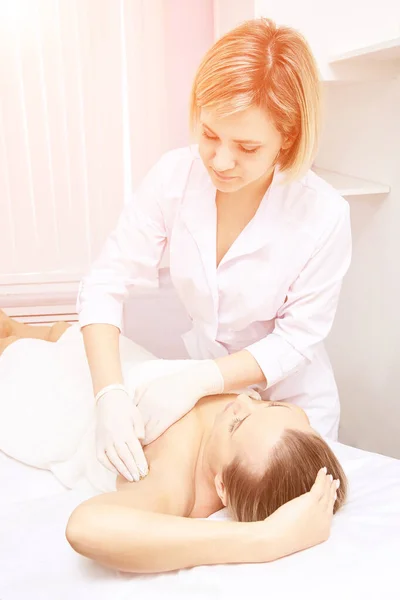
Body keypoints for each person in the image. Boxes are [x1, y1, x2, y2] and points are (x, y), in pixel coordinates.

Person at [77, 17, 352, 484]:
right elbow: (106, 281)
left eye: (246, 146)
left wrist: (200, 378)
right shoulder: (174, 178)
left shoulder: (323, 215)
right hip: (212, 407)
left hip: (288, 409)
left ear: (287, 139)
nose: (221, 161)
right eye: (209, 135)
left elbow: (297, 339)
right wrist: (109, 393)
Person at [0, 313, 345, 572]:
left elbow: (86, 527)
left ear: (222, 487)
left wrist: (269, 538)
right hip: (112, 360)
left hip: (55, 384)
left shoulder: (175, 479)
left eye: (237, 424)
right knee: (58, 330)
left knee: (10, 342)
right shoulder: (257, 439)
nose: (241, 401)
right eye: (270, 404)